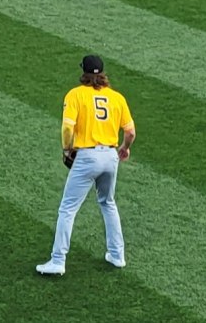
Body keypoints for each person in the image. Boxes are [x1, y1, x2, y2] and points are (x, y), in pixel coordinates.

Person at [38, 53, 134, 277]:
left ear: (83, 72)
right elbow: (130, 131)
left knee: (68, 208)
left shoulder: (76, 95)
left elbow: (67, 128)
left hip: (87, 157)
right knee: (108, 203)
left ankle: (57, 260)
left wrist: (66, 149)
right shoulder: (117, 97)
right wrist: (124, 148)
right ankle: (117, 255)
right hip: (110, 156)